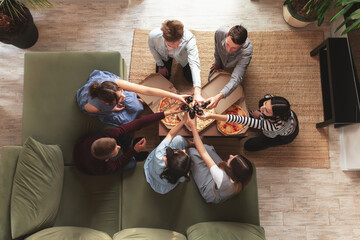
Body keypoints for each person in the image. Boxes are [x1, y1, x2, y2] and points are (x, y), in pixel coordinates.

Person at [74, 104, 183, 175]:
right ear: (107, 159)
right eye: (116, 149)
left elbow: (137, 124)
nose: (118, 147)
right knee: (131, 164)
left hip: (82, 145)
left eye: (115, 144)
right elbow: (118, 163)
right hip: (85, 165)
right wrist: (134, 151)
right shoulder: (101, 168)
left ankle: (129, 148)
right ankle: (132, 152)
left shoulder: (107, 134)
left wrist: (166, 113)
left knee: (127, 133)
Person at [77, 70, 188, 126]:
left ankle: (135, 100)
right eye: (120, 98)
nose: (124, 96)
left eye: (122, 91)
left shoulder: (112, 84)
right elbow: (102, 111)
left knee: (137, 106)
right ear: (109, 103)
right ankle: (131, 102)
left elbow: (146, 90)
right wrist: (113, 109)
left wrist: (176, 96)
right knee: (128, 119)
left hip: (108, 94)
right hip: (103, 107)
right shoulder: (94, 107)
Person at [186, 113, 253, 204]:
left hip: (210, 190)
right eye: (234, 156)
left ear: (230, 170)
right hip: (222, 185)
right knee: (206, 147)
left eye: (231, 159)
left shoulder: (221, 177)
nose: (230, 155)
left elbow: (203, 153)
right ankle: (194, 143)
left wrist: (193, 127)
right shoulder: (242, 176)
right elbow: (205, 151)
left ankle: (192, 145)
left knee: (193, 152)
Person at [198, 94, 299, 152]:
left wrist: (211, 116)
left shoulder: (273, 126)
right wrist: (261, 114)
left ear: (276, 116)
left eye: (266, 111)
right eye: (265, 104)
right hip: (286, 120)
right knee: (261, 102)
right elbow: (265, 105)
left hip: (283, 136)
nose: (261, 108)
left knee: (249, 146)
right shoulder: (274, 101)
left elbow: (241, 120)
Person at [148, 19, 204, 104]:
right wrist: (161, 65)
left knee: (190, 78)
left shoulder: (190, 39)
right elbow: (153, 51)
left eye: (179, 43)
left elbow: (194, 63)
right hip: (164, 56)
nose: (176, 47)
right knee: (162, 80)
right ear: (163, 37)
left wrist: (197, 90)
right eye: (172, 44)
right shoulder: (153, 36)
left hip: (183, 58)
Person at [206, 25, 253, 109]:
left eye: (234, 48)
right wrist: (217, 62)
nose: (228, 50)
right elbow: (217, 49)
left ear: (243, 44)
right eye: (227, 44)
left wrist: (218, 97)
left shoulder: (247, 52)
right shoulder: (219, 32)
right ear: (227, 34)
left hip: (233, 65)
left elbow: (236, 79)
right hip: (222, 61)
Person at [144, 112, 192, 194]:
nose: (184, 150)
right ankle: (191, 144)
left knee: (178, 139)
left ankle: (191, 143)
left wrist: (183, 120)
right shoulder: (183, 175)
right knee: (179, 140)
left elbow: (170, 135)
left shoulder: (158, 155)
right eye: (184, 152)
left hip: (154, 174)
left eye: (183, 152)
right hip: (164, 186)